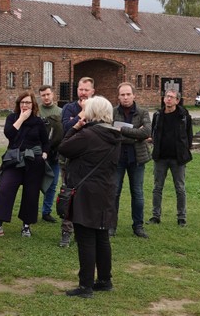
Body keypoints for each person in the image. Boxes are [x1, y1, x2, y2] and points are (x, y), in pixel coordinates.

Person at [59, 96, 121, 299]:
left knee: (85, 237)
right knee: (101, 236)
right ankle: (104, 280)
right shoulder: (114, 135)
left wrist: (75, 127)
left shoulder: (88, 135)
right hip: (105, 190)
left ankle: (85, 285)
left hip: (86, 191)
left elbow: (64, 147)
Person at [0, 91, 50, 238]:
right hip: (15, 160)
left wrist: (44, 154)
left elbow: (45, 141)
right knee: (5, 188)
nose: (25, 105)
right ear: (18, 104)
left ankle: (26, 226)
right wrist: (21, 119)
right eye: (22, 102)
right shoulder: (12, 118)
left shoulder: (38, 122)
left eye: (28, 103)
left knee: (31, 193)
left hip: (34, 161)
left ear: (33, 105)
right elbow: (9, 134)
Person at [111, 82, 152, 239]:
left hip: (137, 159)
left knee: (138, 193)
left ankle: (138, 226)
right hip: (118, 158)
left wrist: (122, 130)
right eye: (122, 94)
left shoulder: (142, 112)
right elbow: (110, 133)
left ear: (134, 95)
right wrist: (136, 134)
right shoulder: (113, 112)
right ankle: (111, 225)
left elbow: (147, 132)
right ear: (118, 96)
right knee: (114, 192)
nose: (125, 97)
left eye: (128, 94)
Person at [58, 77, 95, 247]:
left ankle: (84, 232)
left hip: (90, 160)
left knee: (88, 196)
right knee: (68, 196)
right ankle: (66, 231)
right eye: (81, 89)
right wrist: (81, 113)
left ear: (92, 91)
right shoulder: (68, 108)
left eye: (87, 90)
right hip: (70, 160)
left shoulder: (98, 108)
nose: (83, 92)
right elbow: (66, 128)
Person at [148, 89, 193, 227]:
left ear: (177, 100)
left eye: (172, 97)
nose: (168, 99)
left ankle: (181, 217)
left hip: (177, 158)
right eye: (167, 96)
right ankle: (155, 216)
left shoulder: (184, 116)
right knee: (157, 187)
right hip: (160, 157)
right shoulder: (158, 115)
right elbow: (153, 133)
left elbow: (189, 136)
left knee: (180, 188)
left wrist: (184, 150)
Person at [37, 85, 63, 224]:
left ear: (53, 94)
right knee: (34, 183)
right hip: (38, 153)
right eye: (43, 95)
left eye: (48, 94)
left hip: (54, 154)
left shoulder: (61, 112)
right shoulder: (37, 111)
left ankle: (46, 211)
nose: (46, 97)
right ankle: (31, 209)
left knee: (52, 184)